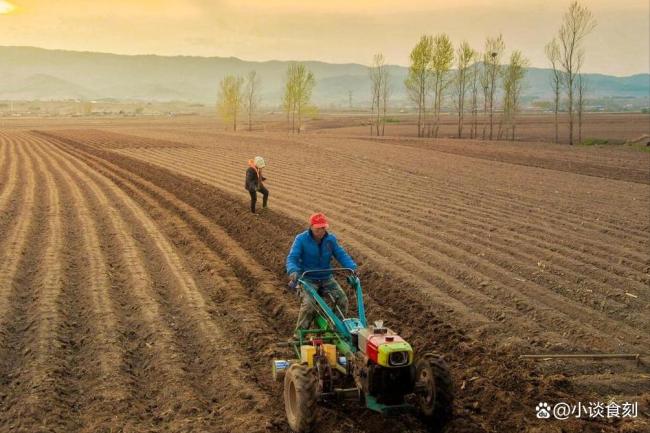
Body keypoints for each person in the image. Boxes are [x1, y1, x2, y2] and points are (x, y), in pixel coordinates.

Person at [286, 212, 357, 334]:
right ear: (312, 227)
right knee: (309, 305)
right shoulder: (301, 239)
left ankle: (335, 329)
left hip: (326, 277)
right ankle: (299, 335)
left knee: (342, 300)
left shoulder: (330, 240)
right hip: (308, 278)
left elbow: (340, 254)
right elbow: (292, 258)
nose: (321, 231)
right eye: (318, 228)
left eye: (323, 227)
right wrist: (293, 270)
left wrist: (352, 267)